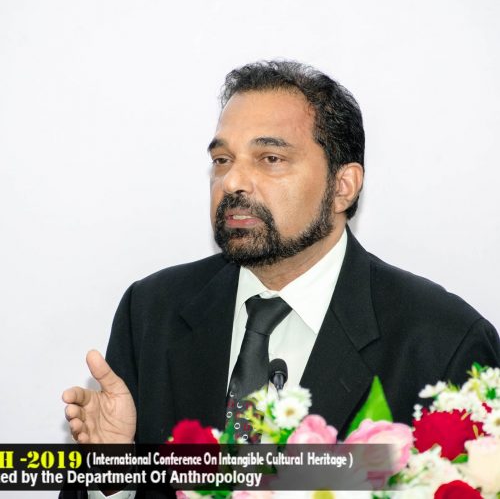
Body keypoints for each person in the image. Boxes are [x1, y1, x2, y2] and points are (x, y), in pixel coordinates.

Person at [62, 60, 500, 496]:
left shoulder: (443, 344)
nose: (233, 181)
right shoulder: (152, 310)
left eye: (270, 159)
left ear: (343, 187)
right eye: (222, 160)